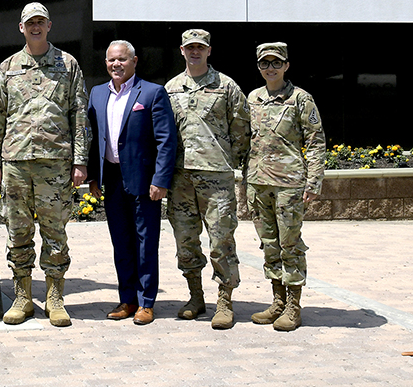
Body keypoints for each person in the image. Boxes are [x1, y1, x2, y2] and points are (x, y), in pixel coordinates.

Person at [0, 3, 89, 327]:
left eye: (41, 22)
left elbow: (80, 115)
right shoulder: (8, 67)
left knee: (55, 232)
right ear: (21, 27)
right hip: (15, 162)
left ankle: (55, 298)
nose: (35, 27)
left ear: (49, 25)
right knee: (17, 232)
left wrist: (80, 161)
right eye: (30, 22)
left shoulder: (67, 64)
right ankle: (23, 297)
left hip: (55, 164)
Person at [84, 40, 177, 326]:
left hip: (143, 181)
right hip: (110, 179)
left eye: (122, 59)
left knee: (145, 242)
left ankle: (146, 302)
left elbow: (166, 140)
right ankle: (127, 299)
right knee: (121, 242)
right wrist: (92, 176)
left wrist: (160, 180)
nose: (116, 65)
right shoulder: (98, 93)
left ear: (134, 61)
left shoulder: (152, 93)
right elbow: (92, 137)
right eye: (111, 60)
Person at [164, 29, 250, 329]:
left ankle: (225, 302)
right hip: (181, 178)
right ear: (182, 50)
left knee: (220, 241)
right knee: (185, 241)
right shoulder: (171, 88)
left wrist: (231, 164)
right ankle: (196, 296)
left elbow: (241, 131)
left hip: (216, 178)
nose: (195, 52)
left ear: (209, 51)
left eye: (201, 47)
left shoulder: (226, 87)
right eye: (190, 48)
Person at [246, 42, 326, 332]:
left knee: (289, 244)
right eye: (265, 63)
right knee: (269, 244)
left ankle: (293, 305)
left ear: (287, 66)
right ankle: (277, 301)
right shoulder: (252, 98)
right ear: (259, 67)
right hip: (258, 183)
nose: (271, 68)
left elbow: (316, 142)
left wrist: (313, 180)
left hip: (289, 184)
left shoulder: (300, 99)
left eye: (276, 63)